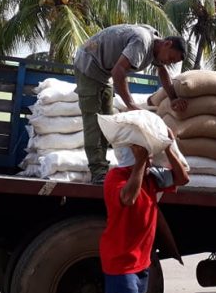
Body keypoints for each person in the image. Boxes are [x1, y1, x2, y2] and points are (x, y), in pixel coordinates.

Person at [99, 130, 189, 293]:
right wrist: (140, 163)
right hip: (121, 267)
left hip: (142, 264)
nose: (149, 159)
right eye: (144, 155)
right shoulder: (115, 178)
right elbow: (129, 198)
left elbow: (182, 178)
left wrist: (168, 147)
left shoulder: (150, 178)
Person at [74, 24, 188, 184]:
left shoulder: (156, 48)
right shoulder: (142, 42)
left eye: (172, 62)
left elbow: (163, 72)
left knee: (106, 121)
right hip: (88, 63)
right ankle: (98, 172)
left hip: (104, 73)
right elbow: (118, 71)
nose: (167, 62)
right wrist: (131, 104)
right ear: (167, 43)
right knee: (93, 121)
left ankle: (102, 167)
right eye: (170, 58)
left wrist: (173, 98)